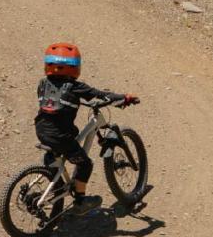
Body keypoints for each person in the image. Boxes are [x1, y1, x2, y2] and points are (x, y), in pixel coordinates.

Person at [35, 42, 138, 214]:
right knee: (85, 164)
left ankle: (55, 177)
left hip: (41, 131)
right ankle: (80, 202)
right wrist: (124, 98)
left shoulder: (42, 83)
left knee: (61, 144)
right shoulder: (76, 87)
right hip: (61, 136)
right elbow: (100, 95)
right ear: (74, 67)